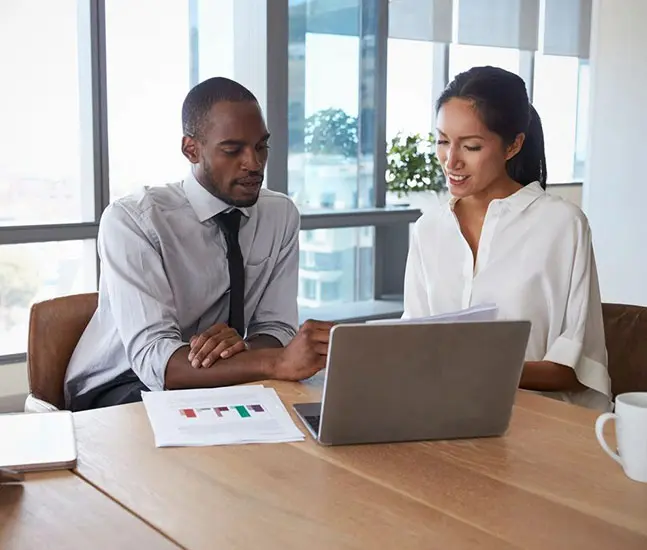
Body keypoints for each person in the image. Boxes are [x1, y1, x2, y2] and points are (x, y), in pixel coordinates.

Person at [64, 77, 333, 411]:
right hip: (121, 387)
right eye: (233, 150)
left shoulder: (280, 215)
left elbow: (275, 327)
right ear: (191, 149)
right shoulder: (133, 220)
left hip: (220, 380)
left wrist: (243, 349)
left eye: (261, 146)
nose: (254, 163)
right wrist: (274, 362)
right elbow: (155, 362)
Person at [403, 66, 611, 411]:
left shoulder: (561, 225)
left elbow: (577, 367)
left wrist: (478, 371)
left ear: (513, 144)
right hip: (442, 413)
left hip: (541, 424)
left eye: (470, 146)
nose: (450, 160)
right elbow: (414, 339)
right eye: (442, 141)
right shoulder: (429, 228)